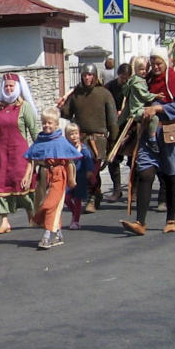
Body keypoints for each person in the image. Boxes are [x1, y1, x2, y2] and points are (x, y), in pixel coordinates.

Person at [120, 52, 175, 235]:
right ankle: (140, 222)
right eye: (153, 63)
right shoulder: (146, 79)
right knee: (145, 173)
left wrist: (158, 108)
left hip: (169, 131)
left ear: (166, 62)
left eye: (158, 63)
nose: (156, 66)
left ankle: (171, 219)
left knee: (171, 175)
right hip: (148, 132)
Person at [59, 64, 117, 211]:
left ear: (95, 76)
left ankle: (92, 197)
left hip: (98, 140)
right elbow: (67, 113)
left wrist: (113, 140)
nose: (87, 78)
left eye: (90, 75)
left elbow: (112, 121)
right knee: (85, 171)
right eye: (85, 75)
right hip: (80, 139)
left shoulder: (104, 94)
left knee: (93, 170)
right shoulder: (76, 94)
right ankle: (95, 194)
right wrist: (61, 106)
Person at [0, 73, 38, 234]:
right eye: (6, 86)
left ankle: (32, 216)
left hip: (19, 155)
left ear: (17, 87)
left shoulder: (25, 107)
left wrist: (40, 152)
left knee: (23, 185)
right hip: (0, 154)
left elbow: (34, 132)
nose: (8, 89)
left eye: (11, 86)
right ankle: (4, 221)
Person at [22, 107, 78, 250]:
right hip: (43, 175)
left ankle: (47, 236)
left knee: (50, 205)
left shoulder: (61, 141)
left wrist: (72, 180)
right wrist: (27, 176)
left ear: (56, 124)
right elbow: (32, 159)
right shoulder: (40, 140)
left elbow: (70, 161)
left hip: (58, 175)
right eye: (44, 123)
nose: (47, 125)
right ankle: (58, 234)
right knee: (44, 204)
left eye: (50, 123)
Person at [104, 64, 131, 200]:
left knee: (134, 160)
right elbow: (104, 104)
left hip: (130, 126)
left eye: (127, 78)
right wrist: (114, 113)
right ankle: (117, 189)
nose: (124, 81)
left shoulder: (132, 88)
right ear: (118, 75)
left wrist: (126, 112)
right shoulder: (109, 88)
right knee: (113, 159)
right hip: (115, 126)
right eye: (122, 78)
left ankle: (134, 190)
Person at [64, 123, 96, 230]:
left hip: (80, 176)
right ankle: (74, 212)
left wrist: (90, 170)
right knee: (66, 198)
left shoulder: (83, 148)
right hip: (69, 177)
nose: (74, 136)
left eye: (76, 133)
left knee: (77, 198)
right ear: (67, 136)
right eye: (71, 134)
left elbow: (88, 159)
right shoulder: (66, 148)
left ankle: (76, 220)